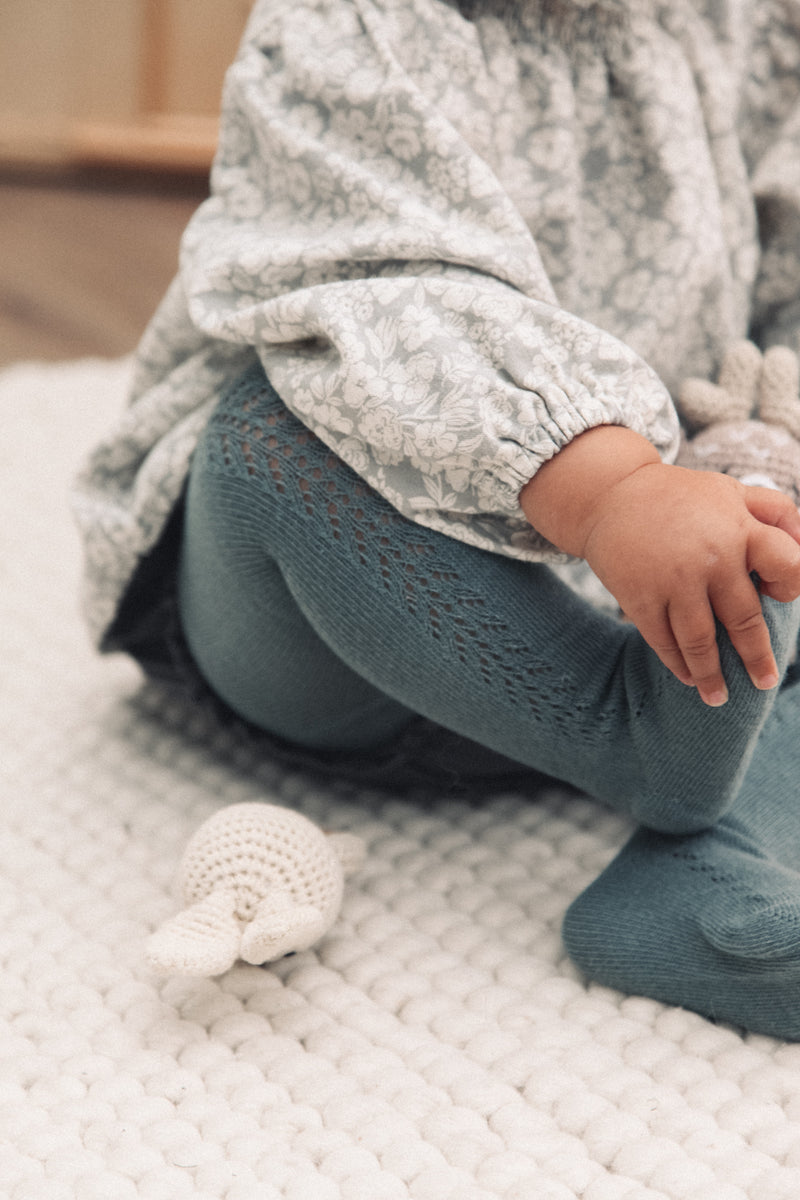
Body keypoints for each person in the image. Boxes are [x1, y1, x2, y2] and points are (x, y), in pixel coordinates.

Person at [73, 0, 800, 1038]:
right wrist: (610, 489)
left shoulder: (741, 24)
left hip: (667, 598)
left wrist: (762, 447)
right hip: (349, 639)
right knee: (263, 446)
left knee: (777, 543)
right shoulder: (351, 29)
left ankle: (709, 879)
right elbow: (378, 286)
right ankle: (627, 734)